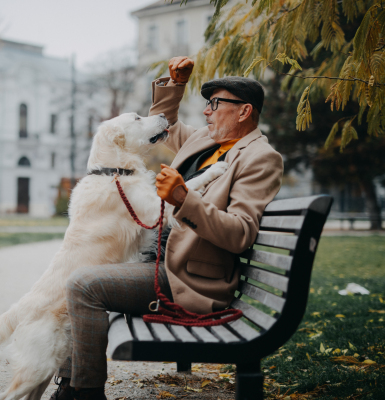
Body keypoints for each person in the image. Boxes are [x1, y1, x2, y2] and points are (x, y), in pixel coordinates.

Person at [48, 56, 284, 400]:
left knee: (85, 285)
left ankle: (84, 393)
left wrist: (183, 198)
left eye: (215, 104)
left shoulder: (259, 157)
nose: (206, 112)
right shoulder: (206, 139)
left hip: (186, 275)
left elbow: (240, 234)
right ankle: (71, 385)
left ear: (244, 111)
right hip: (159, 261)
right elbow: (164, 125)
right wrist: (175, 85)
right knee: (82, 274)